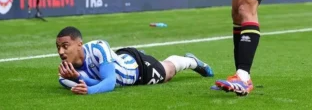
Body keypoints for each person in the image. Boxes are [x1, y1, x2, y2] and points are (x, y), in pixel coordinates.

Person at [55, 26, 214, 95]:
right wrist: (77, 79)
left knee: (168, 72)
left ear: (79, 44)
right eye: (58, 47)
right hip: (120, 60)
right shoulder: (64, 76)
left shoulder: (97, 48)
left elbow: (109, 83)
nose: (61, 51)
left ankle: (192, 62)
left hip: (137, 69)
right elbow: (92, 82)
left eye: (65, 46)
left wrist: (87, 90)